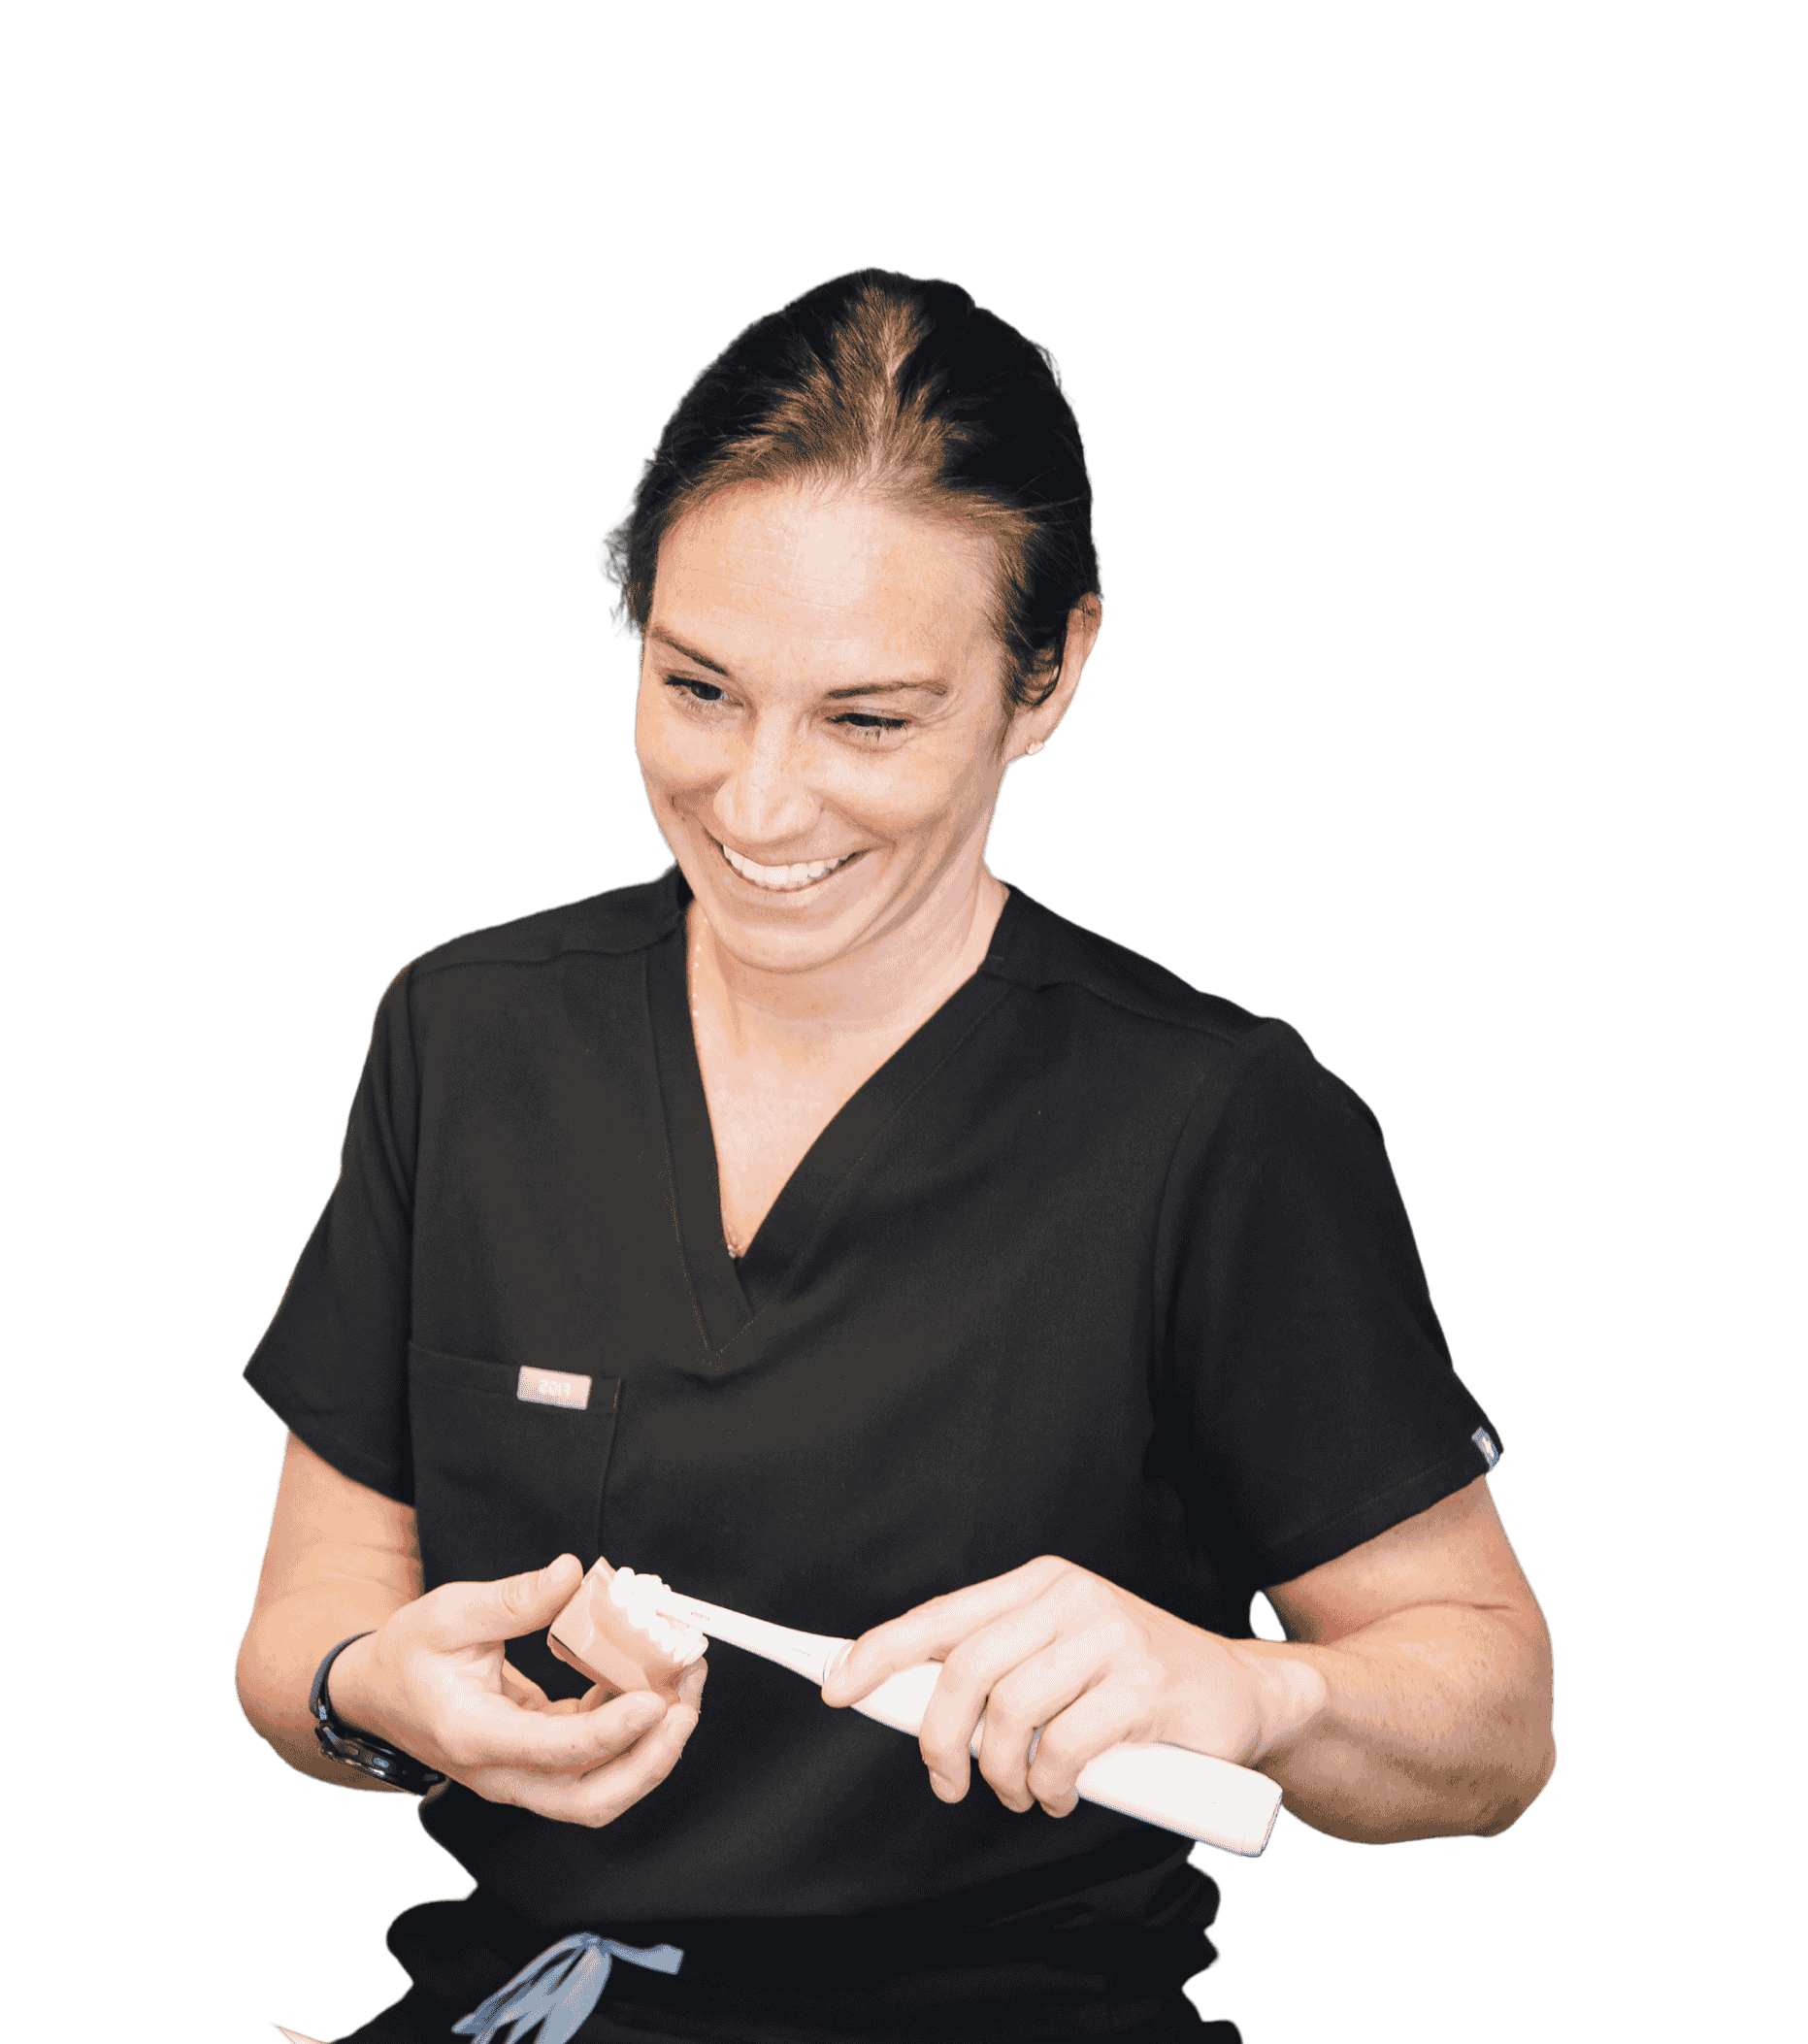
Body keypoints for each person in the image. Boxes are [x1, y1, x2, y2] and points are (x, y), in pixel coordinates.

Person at [238, 268, 1556, 2044]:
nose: (759, 806)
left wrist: (1250, 1693)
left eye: (867, 721)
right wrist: (367, 1691)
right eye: (697, 687)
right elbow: (302, 1631)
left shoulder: (1218, 1120)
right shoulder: (466, 1033)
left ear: (1049, 675)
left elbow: (1492, 1727)